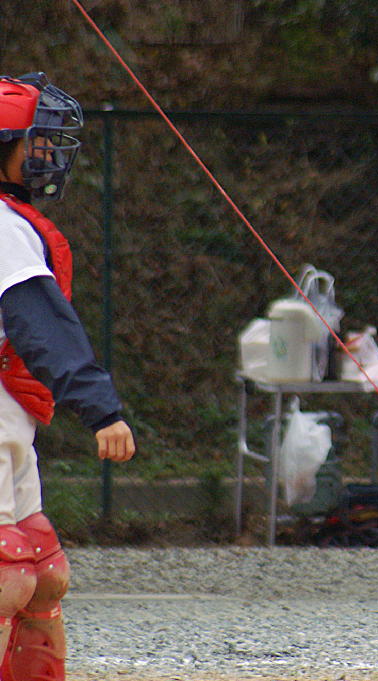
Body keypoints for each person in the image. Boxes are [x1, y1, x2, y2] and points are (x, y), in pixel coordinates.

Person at [0, 72, 136, 680]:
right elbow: (40, 324)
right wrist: (99, 407)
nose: (47, 153)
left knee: (41, 571)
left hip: (9, 413)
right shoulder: (2, 226)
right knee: (7, 575)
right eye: (34, 140)